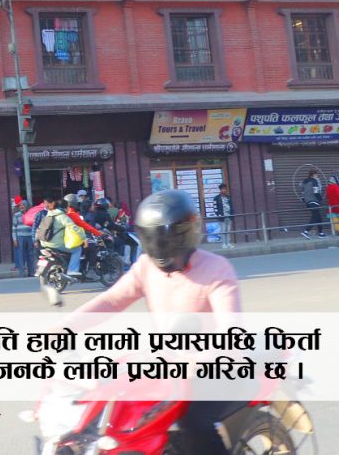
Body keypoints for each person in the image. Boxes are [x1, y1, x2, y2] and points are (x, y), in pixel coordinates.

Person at [69, 189, 240, 455]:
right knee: (110, 409)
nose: (162, 247)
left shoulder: (216, 269)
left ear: (186, 234)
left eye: (168, 239)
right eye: (154, 238)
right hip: (169, 365)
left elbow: (230, 330)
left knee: (194, 423)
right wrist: (64, 327)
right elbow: (112, 300)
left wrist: (202, 359)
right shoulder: (146, 266)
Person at [35, 193, 80, 306]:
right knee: (77, 249)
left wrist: (36, 241)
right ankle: (72, 270)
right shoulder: (62, 216)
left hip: (44, 244)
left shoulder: (47, 215)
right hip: (57, 244)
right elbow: (74, 228)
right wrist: (83, 238)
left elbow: (38, 229)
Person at [11, 197, 35, 278]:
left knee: (31, 255)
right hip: (20, 237)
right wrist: (14, 239)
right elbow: (14, 227)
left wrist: (34, 238)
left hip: (30, 237)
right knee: (21, 255)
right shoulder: (16, 215)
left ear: (26, 206)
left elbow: (34, 226)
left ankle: (31, 272)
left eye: (23, 205)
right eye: (20, 205)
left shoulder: (31, 214)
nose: (21, 206)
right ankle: (22, 273)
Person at [300, 170, 326, 239]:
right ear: (313, 174)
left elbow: (302, 194)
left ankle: (321, 233)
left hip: (308, 202)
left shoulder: (304, 182)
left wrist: (305, 200)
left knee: (318, 217)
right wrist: (320, 198)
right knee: (315, 216)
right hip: (314, 201)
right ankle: (306, 231)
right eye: (316, 174)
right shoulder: (314, 181)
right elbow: (316, 192)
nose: (317, 176)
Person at [211, 183, 235, 249]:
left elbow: (231, 206)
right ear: (220, 190)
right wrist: (218, 214)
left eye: (225, 189)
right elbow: (215, 207)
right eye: (222, 189)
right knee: (223, 230)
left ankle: (228, 243)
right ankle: (224, 244)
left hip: (229, 216)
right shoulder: (216, 198)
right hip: (222, 217)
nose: (224, 190)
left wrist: (232, 214)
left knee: (228, 230)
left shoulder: (228, 197)